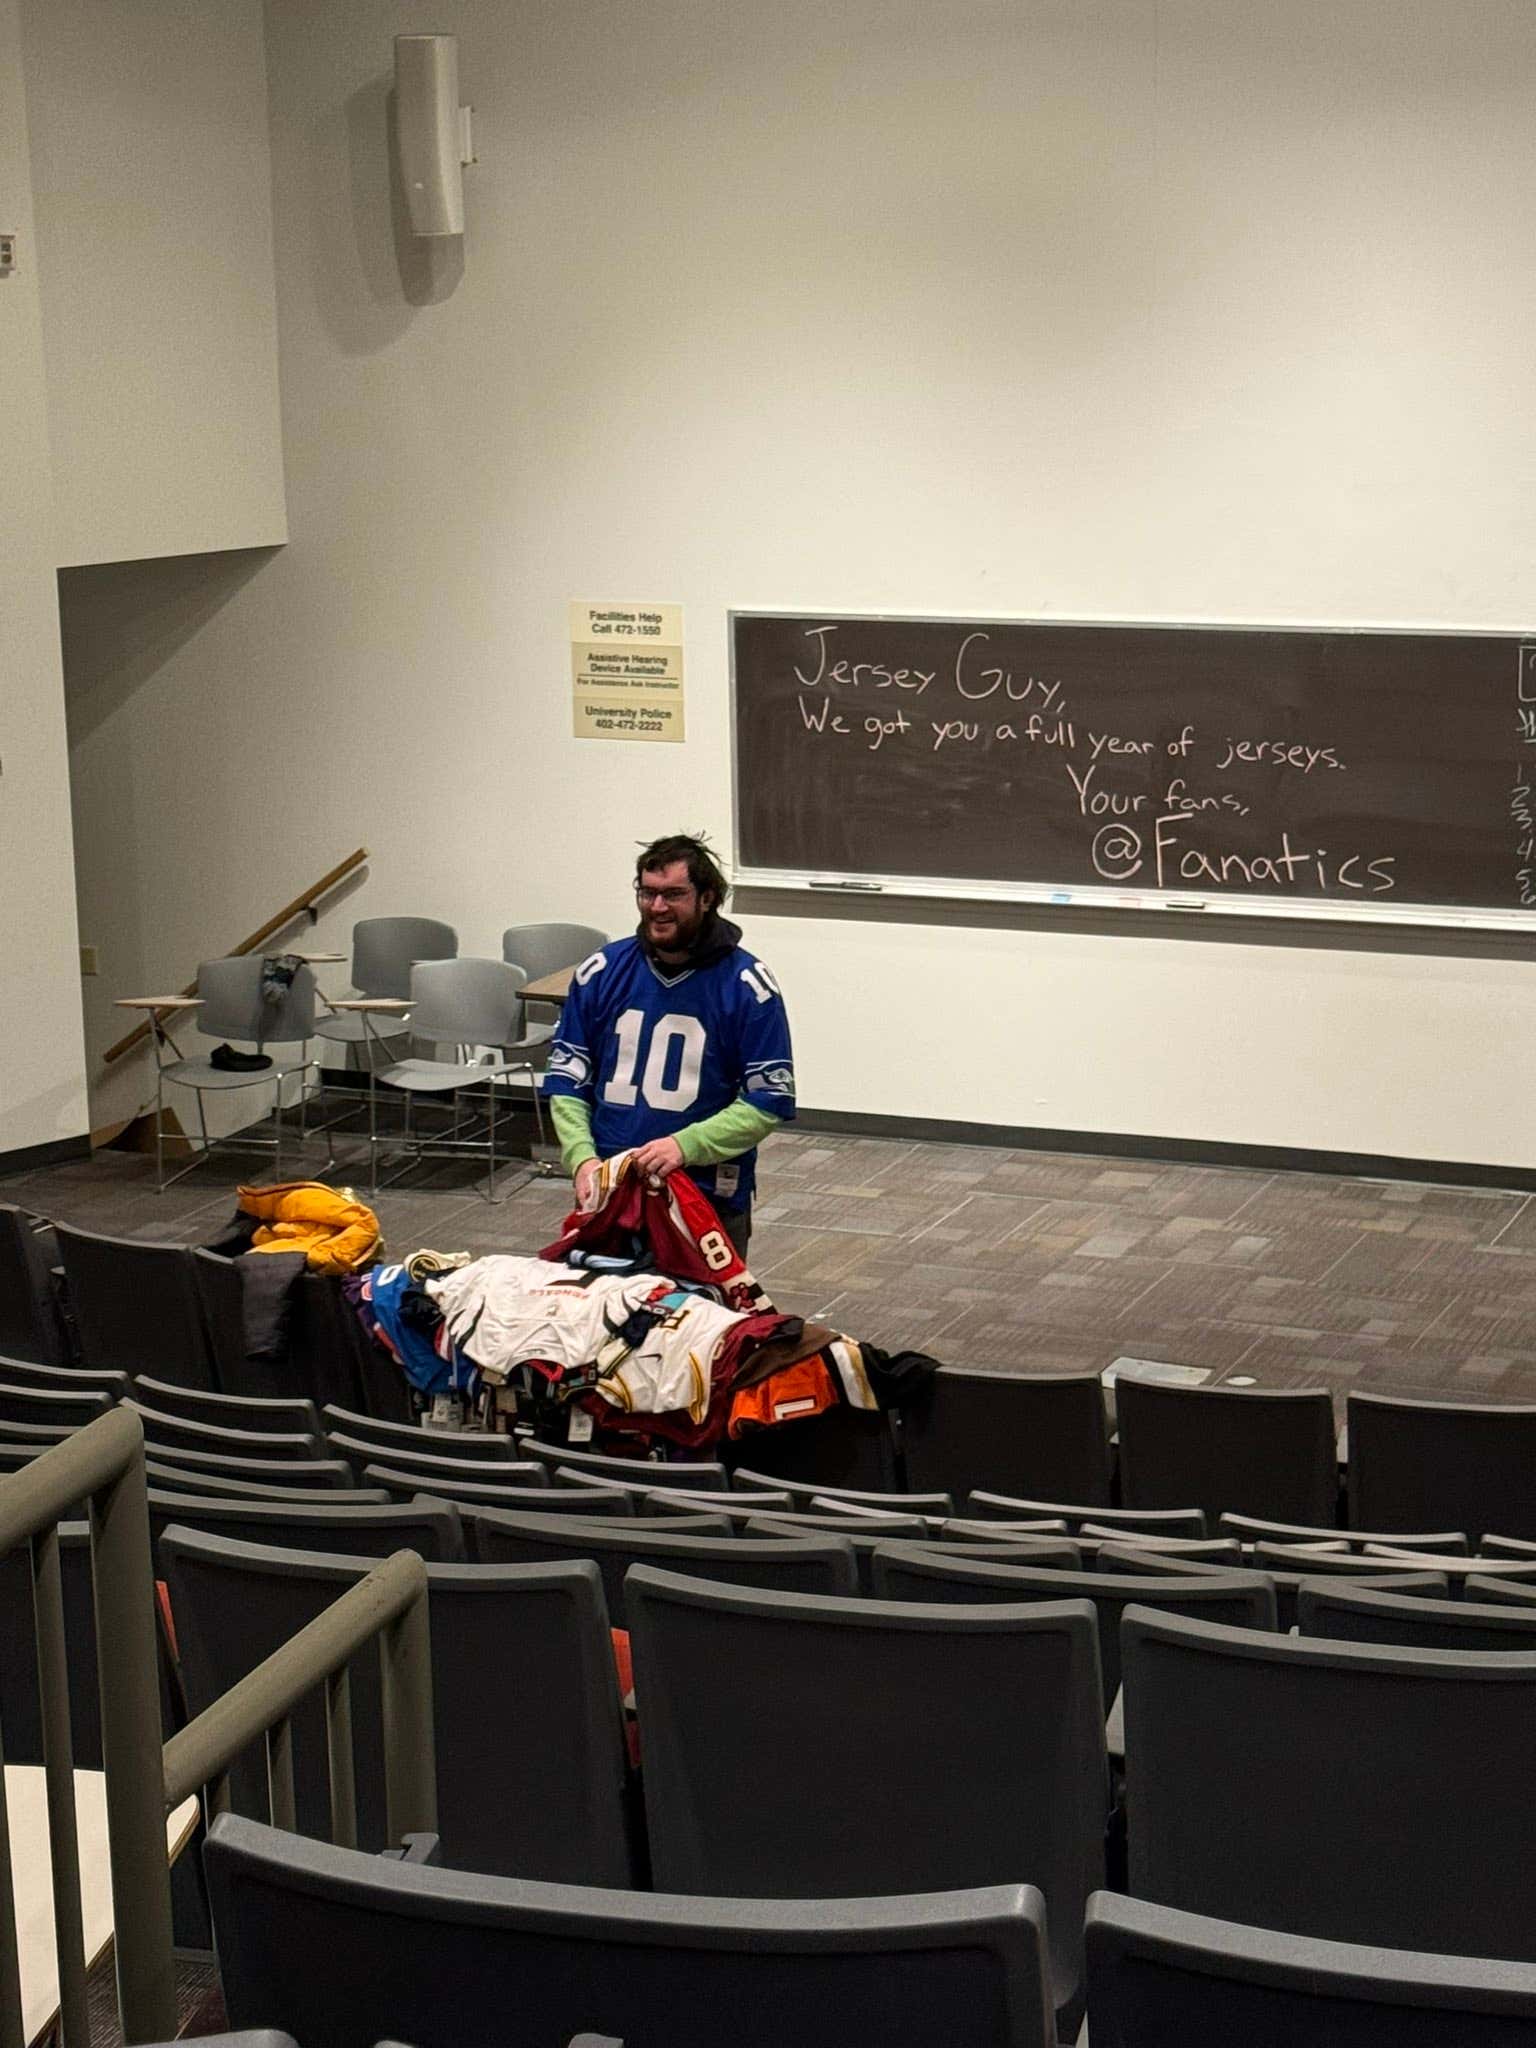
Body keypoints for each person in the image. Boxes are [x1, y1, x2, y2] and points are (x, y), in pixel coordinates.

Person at [542, 833, 794, 1255]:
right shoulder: (600, 972)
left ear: (707, 897)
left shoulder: (747, 986)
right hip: (611, 1189)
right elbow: (568, 1082)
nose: (657, 908)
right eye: (648, 893)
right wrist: (582, 1159)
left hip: (703, 1197)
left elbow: (768, 1101)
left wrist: (683, 1146)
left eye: (673, 894)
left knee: (706, 1319)